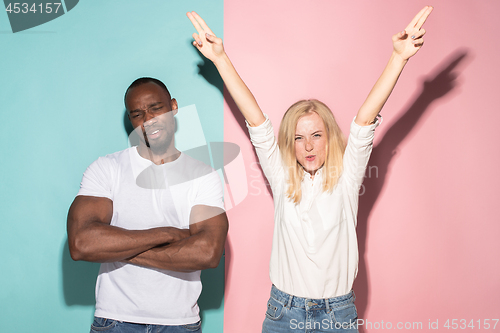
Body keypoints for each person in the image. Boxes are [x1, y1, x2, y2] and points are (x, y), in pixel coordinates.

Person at [187, 6, 432, 333]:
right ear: (290, 144)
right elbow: (257, 122)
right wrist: (220, 59)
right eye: (298, 138)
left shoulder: (347, 178)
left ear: (330, 138)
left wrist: (398, 59)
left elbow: (363, 124)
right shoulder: (282, 176)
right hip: (283, 311)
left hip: (338, 313)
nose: (308, 145)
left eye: (317, 135)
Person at [67, 77, 229, 333]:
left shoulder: (203, 174)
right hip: (115, 321)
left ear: (173, 107)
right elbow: (81, 244)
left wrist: (118, 250)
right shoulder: (107, 168)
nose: (148, 120)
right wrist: (168, 234)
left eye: (156, 108)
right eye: (137, 114)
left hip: (180, 323)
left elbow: (207, 252)